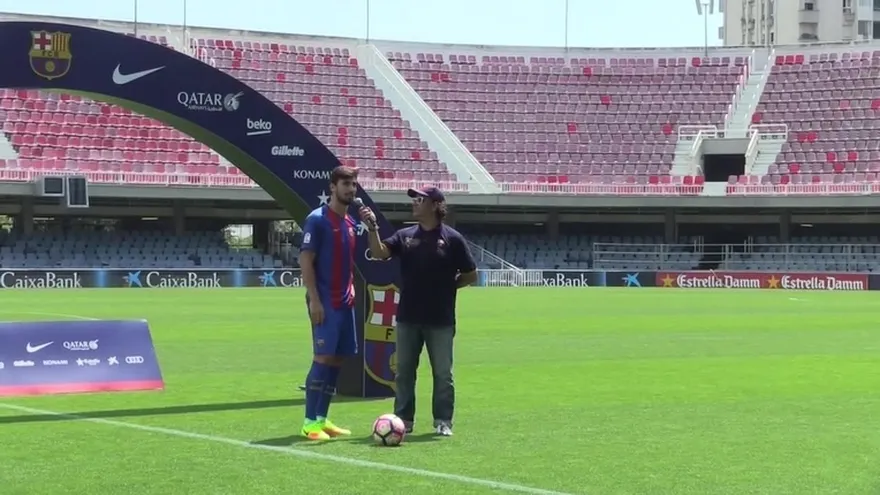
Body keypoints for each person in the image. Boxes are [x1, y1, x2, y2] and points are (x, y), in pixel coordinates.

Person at [360, 186, 477, 436]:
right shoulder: (404, 236)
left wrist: (449, 288)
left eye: (420, 199)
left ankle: (443, 421)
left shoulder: (453, 239)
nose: (414, 203)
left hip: (441, 319)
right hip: (408, 317)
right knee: (403, 373)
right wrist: (373, 228)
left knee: (443, 374)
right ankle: (404, 420)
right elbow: (380, 252)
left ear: (435, 205)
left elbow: (471, 274)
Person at [298, 165, 360, 441]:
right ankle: (309, 423)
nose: (350, 189)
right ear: (332, 187)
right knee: (322, 358)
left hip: (345, 302)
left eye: (354, 184)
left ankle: (322, 419)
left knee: (336, 360)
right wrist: (314, 300)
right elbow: (306, 260)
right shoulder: (318, 219)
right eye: (345, 183)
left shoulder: (350, 223)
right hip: (325, 302)